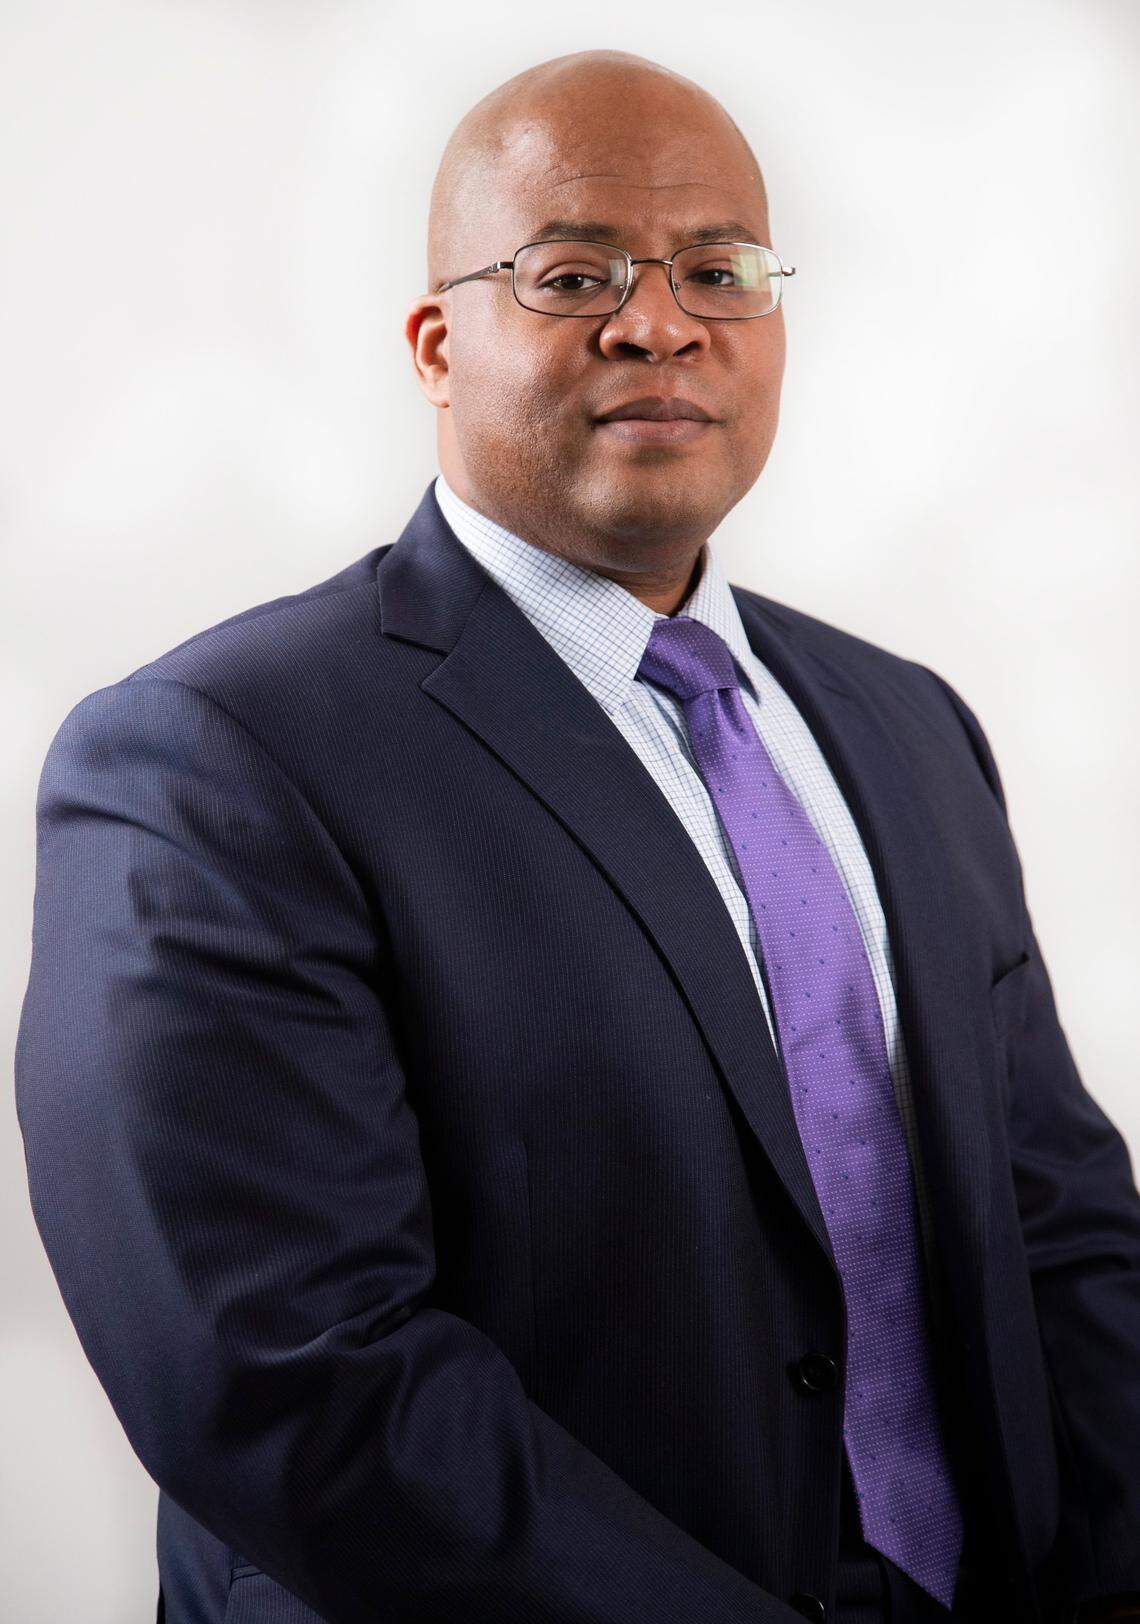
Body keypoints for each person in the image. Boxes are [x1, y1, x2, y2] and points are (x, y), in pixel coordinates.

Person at [14, 46, 1140, 1624]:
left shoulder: (905, 724)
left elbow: (1057, 1228)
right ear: (437, 345)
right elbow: (295, 1381)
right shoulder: (215, 760)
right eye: (571, 274)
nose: (658, 323)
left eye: (717, 271)